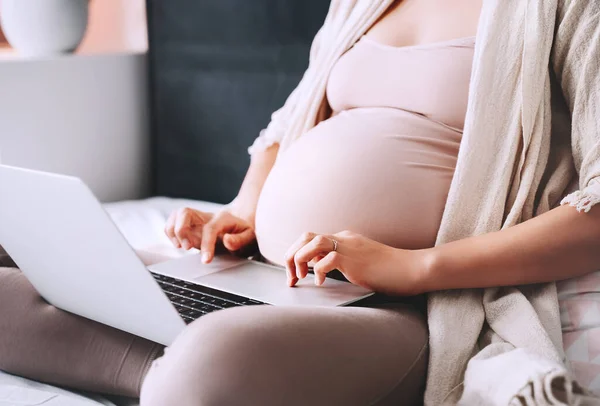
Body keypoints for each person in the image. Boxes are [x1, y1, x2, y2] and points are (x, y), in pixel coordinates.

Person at [1, 0, 600, 404]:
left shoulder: (568, 9)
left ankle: (176, 366)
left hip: (400, 306)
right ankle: (166, 362)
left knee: (214, 360)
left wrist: (414, 268)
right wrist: (242, 209)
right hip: (261, 272)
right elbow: (289, 123)